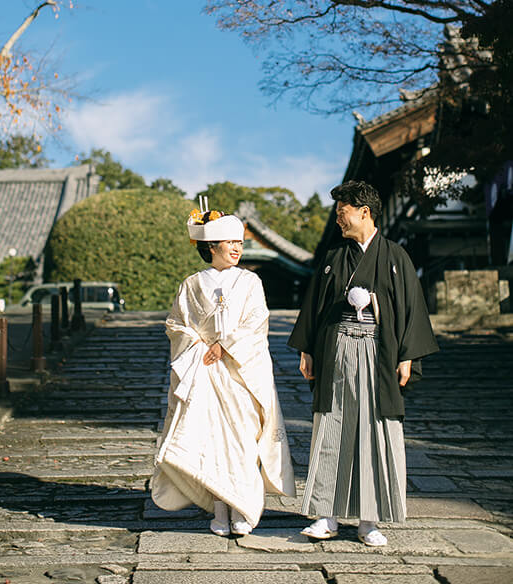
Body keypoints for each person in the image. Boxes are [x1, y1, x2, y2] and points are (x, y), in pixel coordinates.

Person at [288, 180, 438, 547]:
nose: (339, 220)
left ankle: (370, 520)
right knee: (332, 427)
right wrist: (307, 349)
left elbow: (411, 310)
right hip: (338, 349)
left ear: (364, 212)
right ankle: (326, 514)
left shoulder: (396, 257)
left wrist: (407, 355)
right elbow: (315, 307)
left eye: (343, 213)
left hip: (378, 351)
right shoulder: (334, 259)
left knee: (375, 429)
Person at [151, 207, 295, 536]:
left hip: (240, 373)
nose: (236, 249)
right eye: (229, 242)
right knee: (210, 441)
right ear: (211, 246)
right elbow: (177, 326)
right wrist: (201, 345)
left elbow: (257, 323)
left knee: (243, 439)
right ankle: (218, 508)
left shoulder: (250, 282)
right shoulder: (191, 284)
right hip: (205, 371)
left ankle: (242, 506)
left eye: (240, 243)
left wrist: (226, 344)